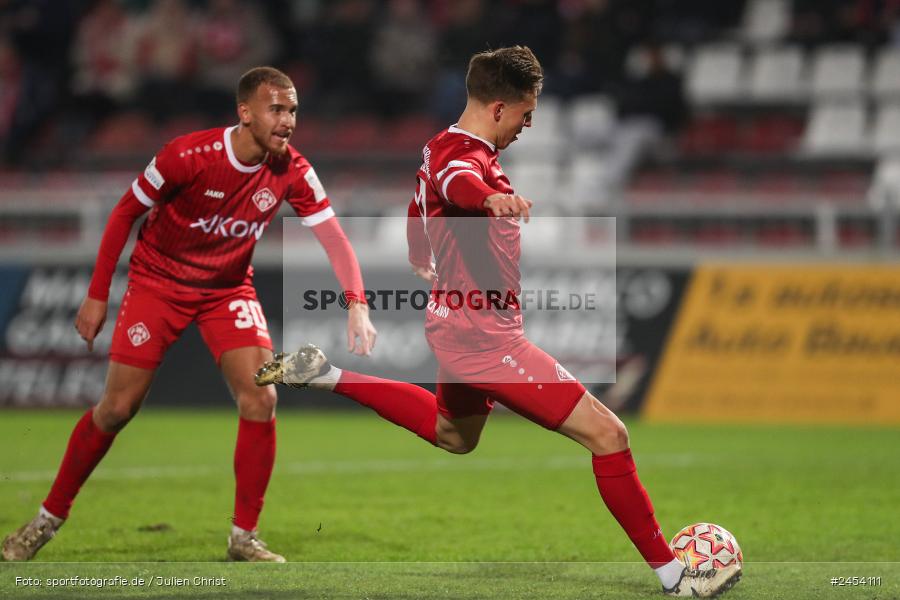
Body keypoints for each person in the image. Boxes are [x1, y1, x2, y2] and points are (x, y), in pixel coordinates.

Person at [255, 47, 740, 597]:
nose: (529, 125)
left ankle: (326, 376)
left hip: (457, 328)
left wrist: (421, 249)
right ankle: (676, 577)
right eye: (527, 114)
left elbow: (421, 198)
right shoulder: (467, 159)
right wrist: (489, 201)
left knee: (452, 434)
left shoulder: (439, 145)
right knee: (610, 436)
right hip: (484, 338)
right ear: (500, 106)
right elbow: (460, 183)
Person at [1, 66, 376, 563]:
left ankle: (244, 538)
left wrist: (358, 306)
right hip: (158, 285)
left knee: (261, 398)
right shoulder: (187, 155)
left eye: (293, 111)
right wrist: (96, 294)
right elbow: (124, 213)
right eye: (276, 109)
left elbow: (335, 238)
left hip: (227, 291)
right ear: (245, 113)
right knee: (116, 410)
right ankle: (46, 520)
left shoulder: (294, 170)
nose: (287, 121)